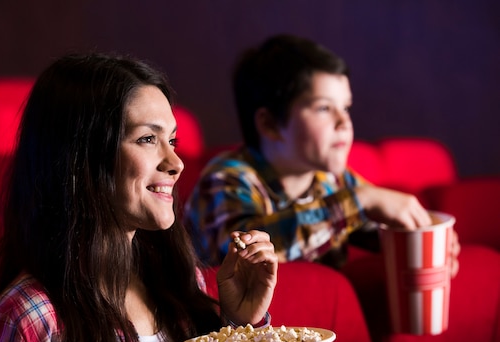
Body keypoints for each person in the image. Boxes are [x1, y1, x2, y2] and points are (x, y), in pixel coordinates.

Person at [0, 53, 278, 342]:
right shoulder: (28, 321)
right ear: (80, 159)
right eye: (147, 139)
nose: (175, 163)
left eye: (172, 140)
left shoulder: (179, 279)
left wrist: (239, 327)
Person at [184, 34, 459, 273]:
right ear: (269, 123)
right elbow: (246, 259)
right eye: (324, 108)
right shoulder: (224, 180)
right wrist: (360, 201)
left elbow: (381, 231)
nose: (344, 122)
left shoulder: (333, 181)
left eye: (346, 108)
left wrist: (430, 240)